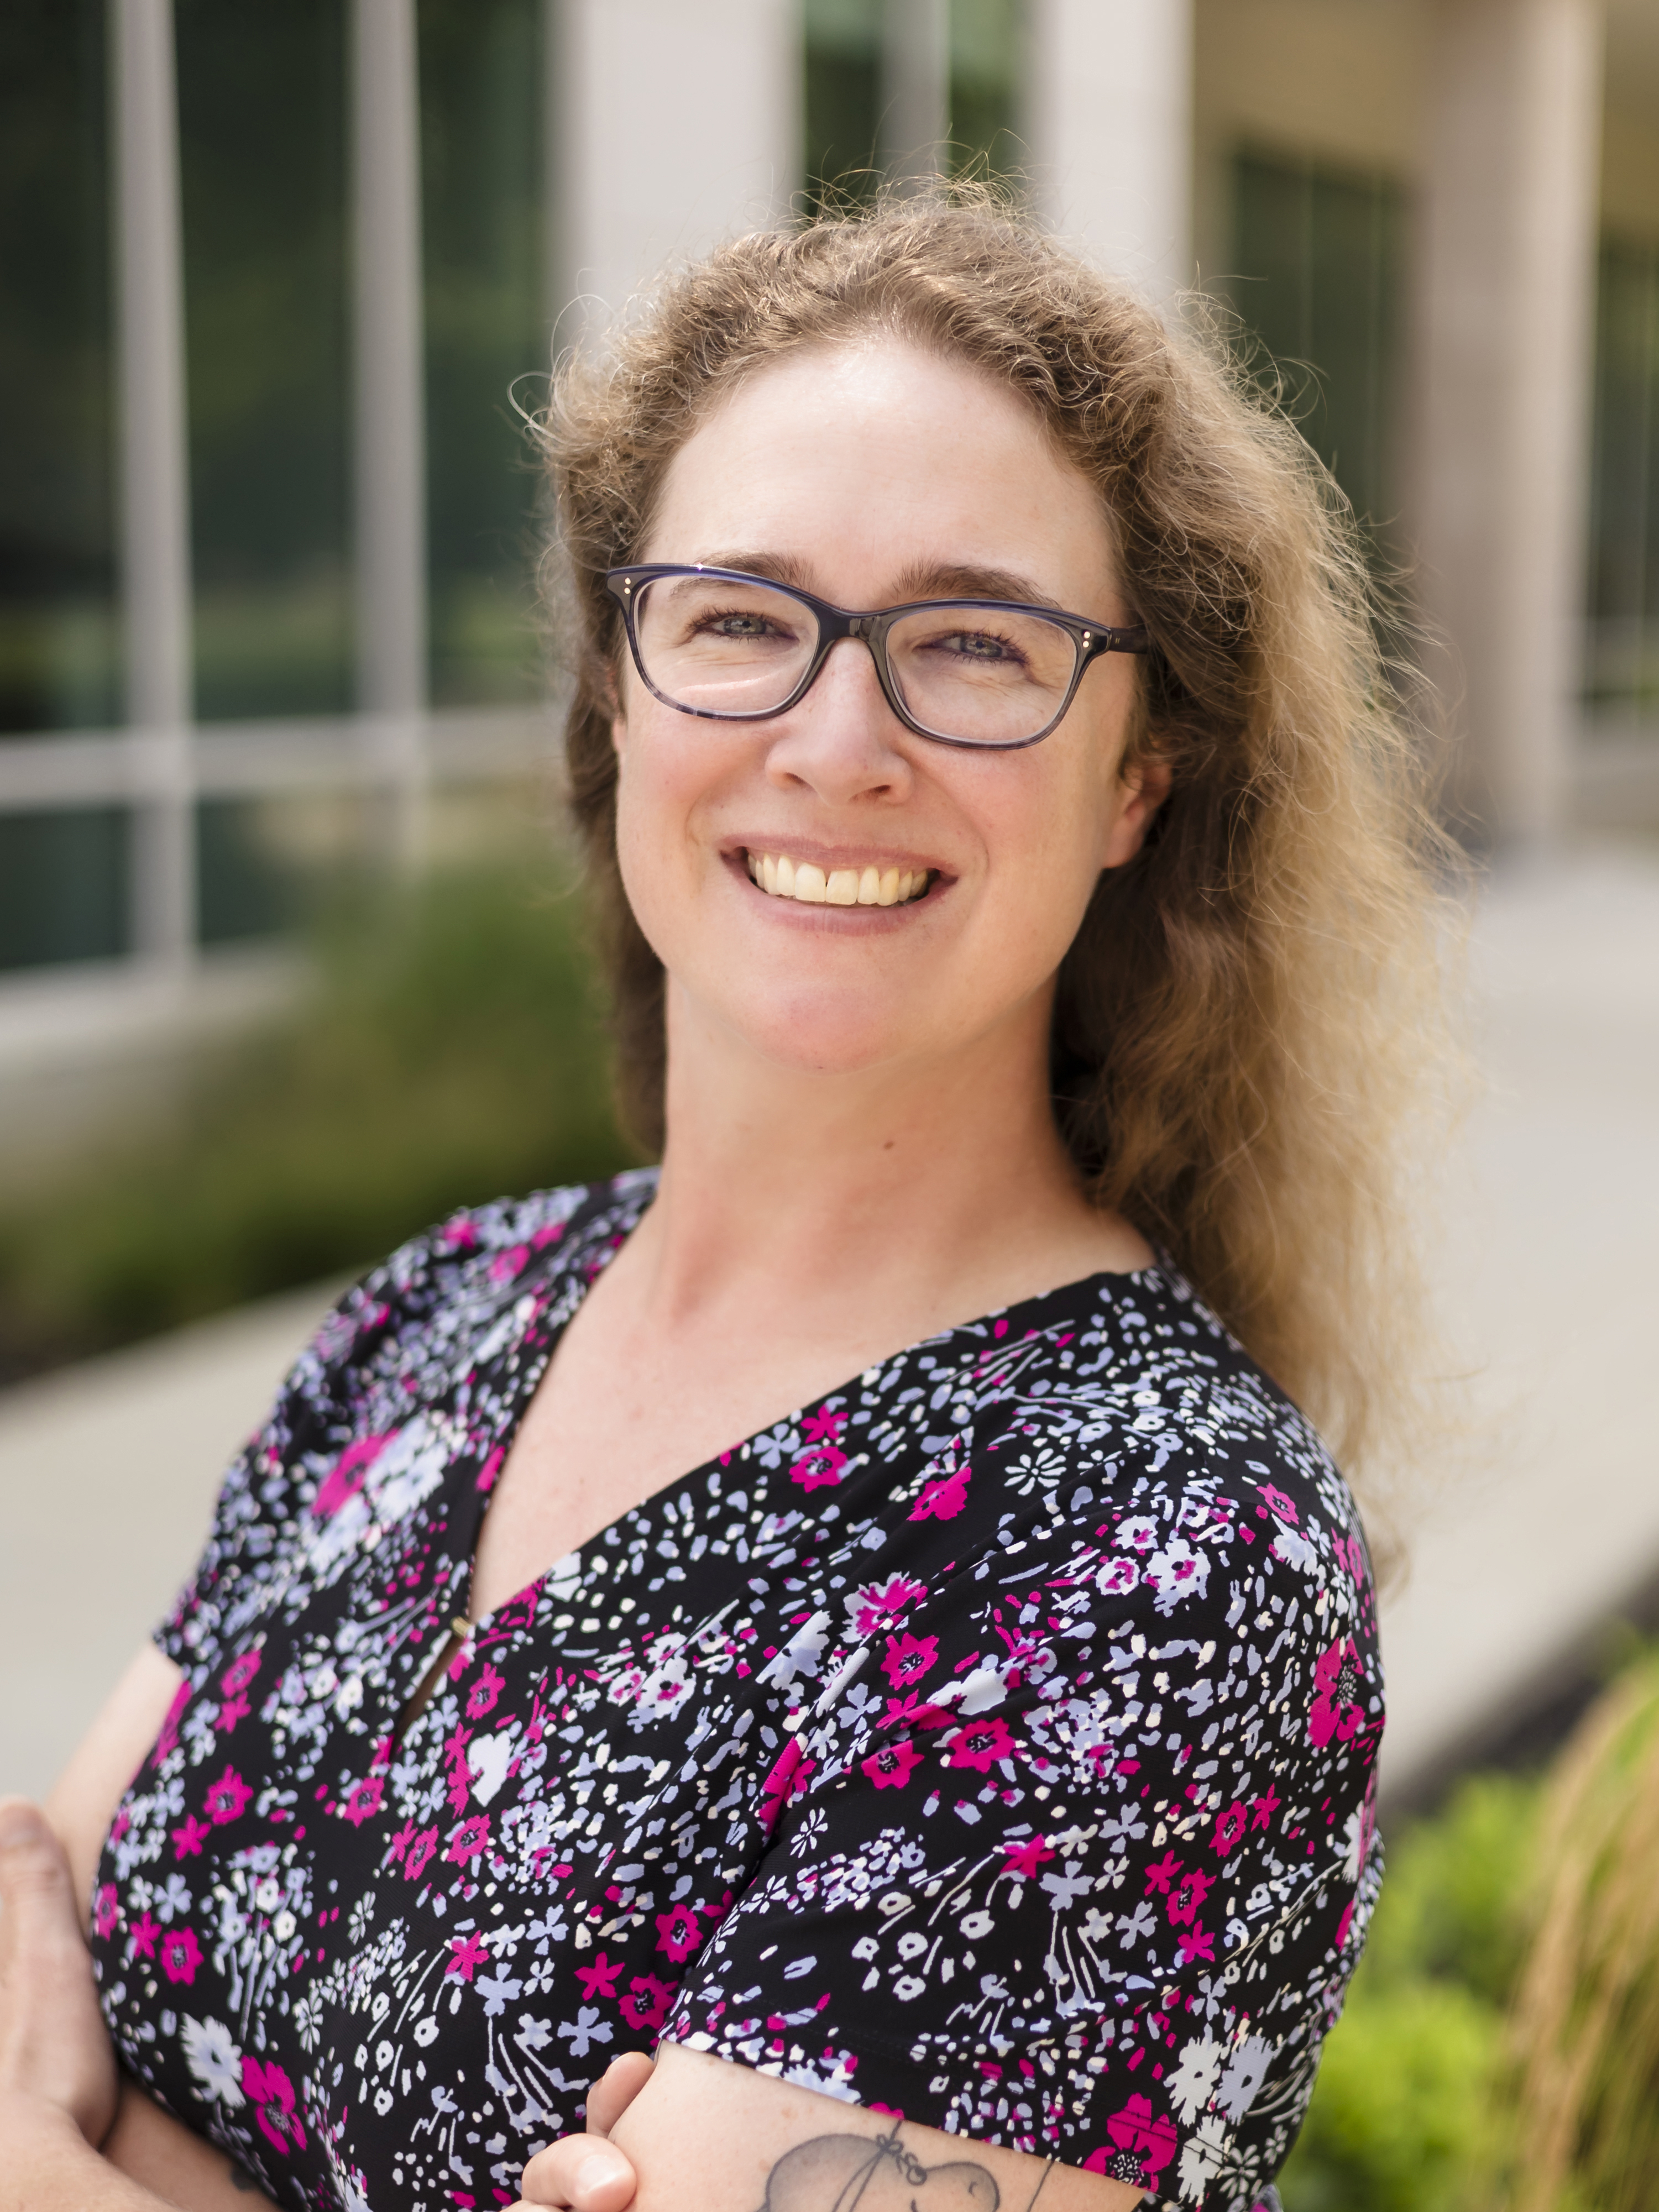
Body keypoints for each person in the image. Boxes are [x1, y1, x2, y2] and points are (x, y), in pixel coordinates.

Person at [0, 191, 1449, 2212]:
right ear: (619, 685)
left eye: (973, 642)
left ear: (1141, 776)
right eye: (741, 619)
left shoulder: (1163, 1561)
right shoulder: (450, 1303)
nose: (834, 742)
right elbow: (27, 1895)